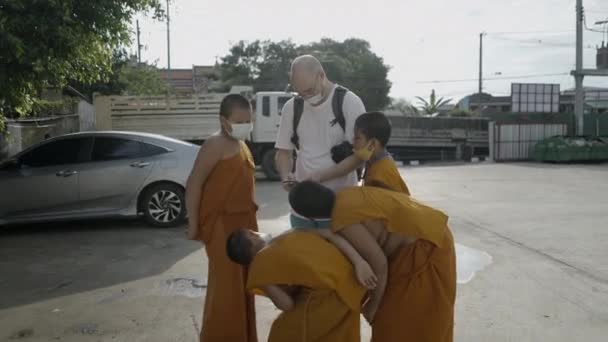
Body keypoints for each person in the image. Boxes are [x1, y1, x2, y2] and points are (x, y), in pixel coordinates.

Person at [289, 181, 457, 342]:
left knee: (401, 321)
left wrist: (373, 305)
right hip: (433, 229)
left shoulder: (342, 219)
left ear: (310, 217)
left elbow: (379, 263)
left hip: (429, 245)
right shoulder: (345, 194)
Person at [185, 94, 258, 342]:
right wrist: (194, 224)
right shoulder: (214, 144)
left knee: (244, 288)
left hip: (244, 227)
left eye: (249, 119)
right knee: (227, 292)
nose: (246, 124)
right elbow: (194, 183)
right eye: (240, 121)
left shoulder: (242, 144)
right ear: (223, 120)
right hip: (221, 229)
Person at [226, 229, 367, 342]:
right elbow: (329, 234)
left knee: (281, 333)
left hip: (333, 295)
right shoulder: (289, 233)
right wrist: (359, 262)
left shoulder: (258, 267)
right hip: (353, 280)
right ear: (252, 235)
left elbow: (286, 305)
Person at [274, 55, 366, 227]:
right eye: (300, 93)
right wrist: (285, 175)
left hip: (341, 207)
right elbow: (283, 152)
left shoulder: (349, 102)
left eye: (309, 91)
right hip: (302, 210)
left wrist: (321, 176)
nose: (306, 97)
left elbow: (360, 156)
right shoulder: (292, 107)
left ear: (321, 75)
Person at [312, 111, 410, 194]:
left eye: (357, 138)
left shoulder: (381, 174)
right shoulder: (375, 162)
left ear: (372, 144)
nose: (353, 142)